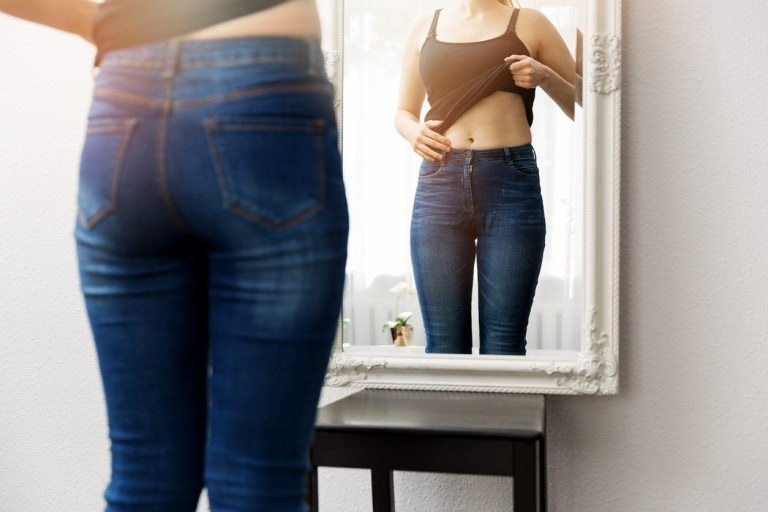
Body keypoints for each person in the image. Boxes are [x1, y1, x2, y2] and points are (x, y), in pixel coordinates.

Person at [0, 1, 348, 510]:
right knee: (256, 483)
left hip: (123, 105)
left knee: (144, 480)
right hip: (263, 93)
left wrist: (114, 24)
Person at [395, 0, 575, 356]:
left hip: (510, 182)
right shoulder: (424, 25)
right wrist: (413, 132)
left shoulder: (530, 23)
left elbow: (593, 106)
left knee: (505, 345)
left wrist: (545, 76)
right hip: (439, 183)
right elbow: (403, 112)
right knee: (444, 343)